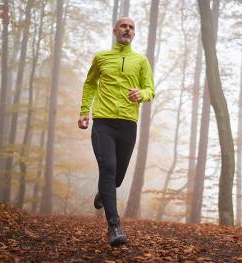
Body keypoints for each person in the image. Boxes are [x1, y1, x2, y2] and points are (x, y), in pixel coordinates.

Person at [78, 17, 155, 247]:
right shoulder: (101, 57)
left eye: (131, 27)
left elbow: (150, 88)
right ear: (115, 30)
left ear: (134, 33)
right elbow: (90, 83)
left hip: (128, 124)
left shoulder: (141, 61)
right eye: (124, 26)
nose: (127, 30)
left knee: (117, 177)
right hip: (103, 123)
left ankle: (104, 193)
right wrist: (85, 111)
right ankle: (114, 226)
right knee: (108, 169)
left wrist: (141, 94)